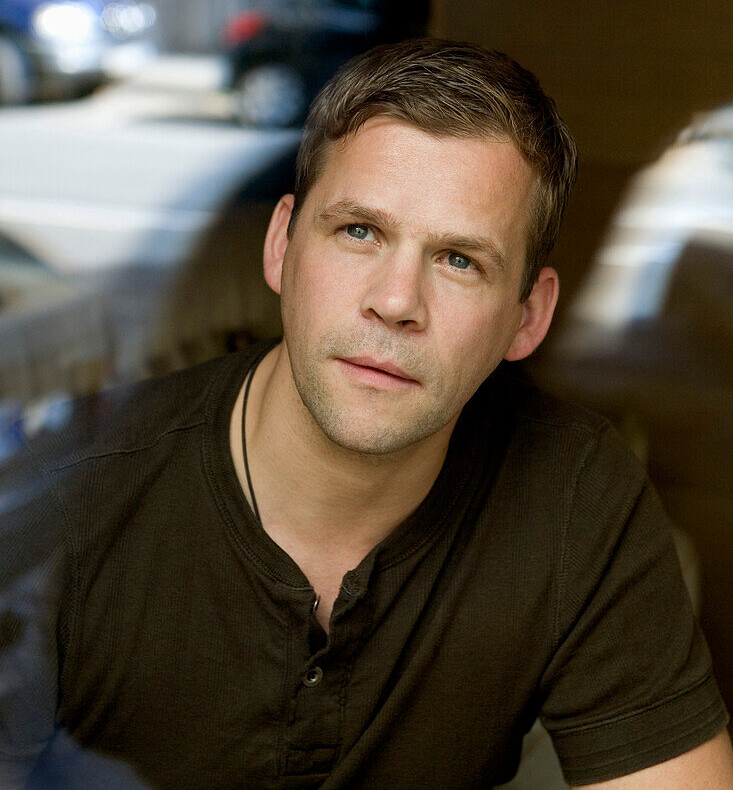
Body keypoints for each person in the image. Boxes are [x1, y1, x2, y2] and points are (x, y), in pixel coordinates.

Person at [1, 39, 731, 789]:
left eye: (458, 260)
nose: (395, 302)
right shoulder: (67, 499)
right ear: (282, 247)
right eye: (359, 231)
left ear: (527, 317)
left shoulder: (575, 496)